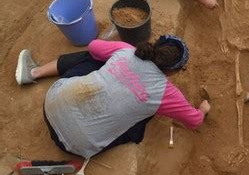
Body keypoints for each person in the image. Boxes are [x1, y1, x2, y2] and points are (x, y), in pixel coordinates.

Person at [15, 35, 211, 158]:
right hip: (75, 145)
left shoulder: (127, 51)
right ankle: (34, 73)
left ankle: (34, 73)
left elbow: (93, 46)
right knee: (146, 115)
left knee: (93, 57)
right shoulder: (166, 93)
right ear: (173, 71)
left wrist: (116, 48)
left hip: (52, 104)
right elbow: (194, 121)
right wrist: (203, 109)